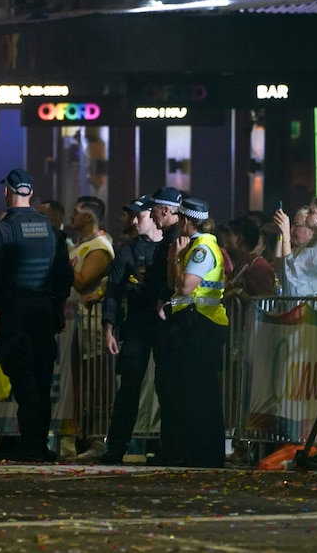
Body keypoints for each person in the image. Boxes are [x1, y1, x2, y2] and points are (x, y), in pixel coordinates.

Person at [0, 168, 73, 462]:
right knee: (42, 379)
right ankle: (38, 442)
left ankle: (31, 444)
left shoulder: (4, 230)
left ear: (7, 192)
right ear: (30, 193)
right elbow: (63, 276)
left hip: (16, 311)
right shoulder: (51, 230)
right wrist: (56, 305)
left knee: (23, 378)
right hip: (44, 310)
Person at [162, 197, 228, 468]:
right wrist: (173, 259)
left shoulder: (202, 248)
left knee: (202, 394)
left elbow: (186, 287)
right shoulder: (192, 247)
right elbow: (173, 285)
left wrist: (177, 258)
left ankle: (206, 454)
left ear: (185, 220)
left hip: (203, 325)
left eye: (179, 219)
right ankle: (196, 451)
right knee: (191, 392)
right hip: (193, 325)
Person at [100, 195, 161, 465]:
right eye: (133, 217)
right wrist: (108, 328)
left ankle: (168, 445)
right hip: (136, 325)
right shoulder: (128, 250)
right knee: (128, 389)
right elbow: (112, 291)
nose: (135, 222)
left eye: (141, 216)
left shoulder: (171, 245)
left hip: (164, 326)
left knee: (169, 388)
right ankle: (116, 447)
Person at [66, 195, 114, 461]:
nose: (72, 217)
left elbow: (83, 281)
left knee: (95, 382)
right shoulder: (79, 246)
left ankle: (98, 439)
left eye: (76, 212)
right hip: (78, 325)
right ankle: (82, 437)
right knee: (80, 384)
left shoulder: (99, 247)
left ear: (88, 217)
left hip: (94, 328)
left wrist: (60, 259)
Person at [143, 186, 185, 464]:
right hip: (169, 324)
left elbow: (171, 282)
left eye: (155, 211)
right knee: (167, 388)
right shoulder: (171, 239)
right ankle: (170, 446)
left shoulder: (175, 241)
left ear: (167, 211)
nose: (152, 217)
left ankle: (173, 448)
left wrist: (161, 300)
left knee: (170, 388)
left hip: (170, 324)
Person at [274, 197, 317, 297]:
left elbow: (292, 273)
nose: (306, 215)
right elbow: (281, 265)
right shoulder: (313, 243)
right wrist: (281, 234)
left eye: (311, 212)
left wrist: (286, 234)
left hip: (313, 309)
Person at [223, 215, 276, 299]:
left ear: (239, 239)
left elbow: (265, 301)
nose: (226, 239)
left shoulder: (259, 266)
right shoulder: (243, 263)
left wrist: (237, 292)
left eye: (229, 234)